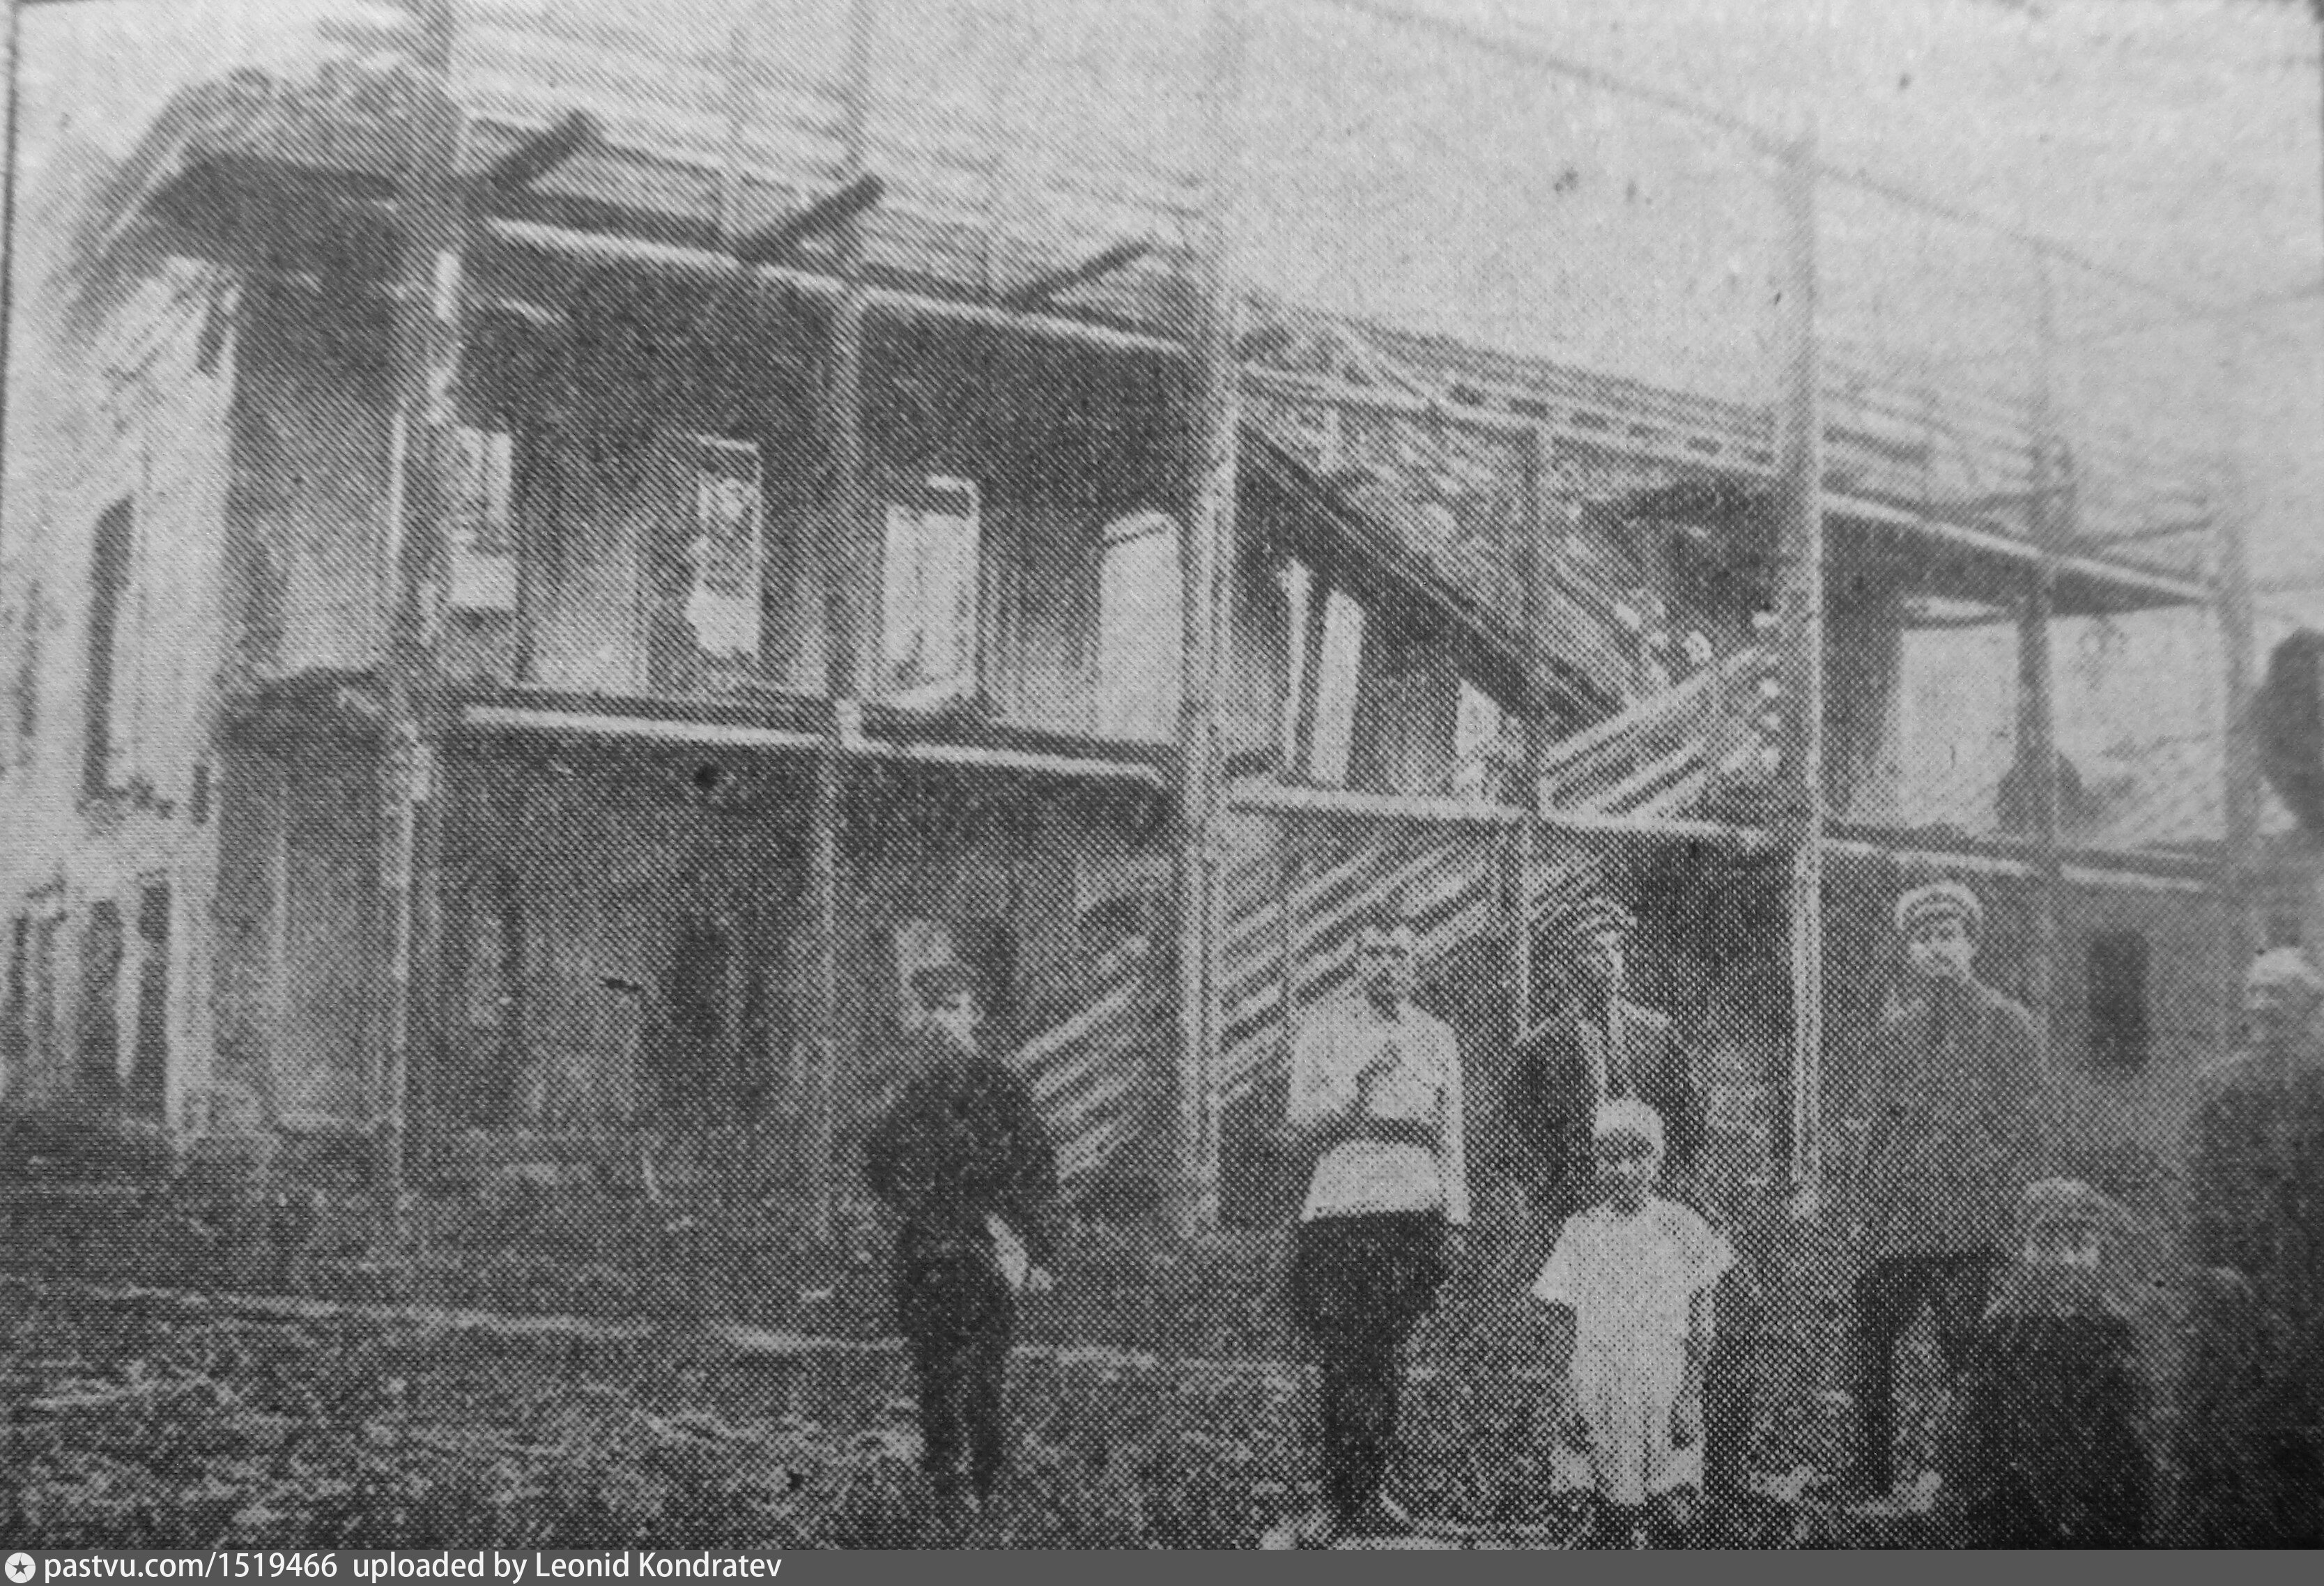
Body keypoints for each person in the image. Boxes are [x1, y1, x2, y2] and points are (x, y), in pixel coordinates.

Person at [1842, 878, 2056, 1504]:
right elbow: (1879, 1123)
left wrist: (1995, 1187)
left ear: (1971, 945)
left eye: (1948, 936)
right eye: (1923, 938)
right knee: (1867, 1339)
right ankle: (1869, 1478)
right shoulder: (1897, 1030)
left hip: (1969, 1221)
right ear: (1908, 950)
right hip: (1899, 1219)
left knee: (1965, 1350)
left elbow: (2029, 1124)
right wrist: (1865, 1203)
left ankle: (1967, 1480)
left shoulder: (2006, 1022)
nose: (1936, 948)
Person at [1280, 902, 1470, 1546]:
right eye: (1374, 954)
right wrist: (1355, 1087)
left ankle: (1372, 1489)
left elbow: (1451, 1135)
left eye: (1399, 954)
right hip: (1343, 1205)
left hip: (1412, 1205)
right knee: (1344, 1352)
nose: (1386, 965)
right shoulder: (1324, 1028)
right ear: (1354, 962)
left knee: (1388, 1352)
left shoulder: (1436, 1035)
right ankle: (1336, 1496)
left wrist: (1455, 1216)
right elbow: (1300, 1123)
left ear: (1416, 965)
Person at [863, 961, 1064, 1530]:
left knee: (983, 1376)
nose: (939, 1021)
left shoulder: (1001, 1087)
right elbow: (879, 1164)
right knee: (934, 1374)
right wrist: (915, 1204)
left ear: (975, 1015)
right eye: (929, 1009)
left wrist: (1039, 1250)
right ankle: (945, 1495)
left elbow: (1035, 1169)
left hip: (987, 1243)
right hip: (928, 1247)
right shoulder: (910, 1092)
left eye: (951, 1008)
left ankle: (989, 1489)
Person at [1531, 1098, 1732, 1549]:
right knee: (1601, 1517)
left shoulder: (1683, 1227)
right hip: (1598, 1386)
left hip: (1665, 1385)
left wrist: (1689, 1394)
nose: (1624, 1170)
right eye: (1611, 1157)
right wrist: (1566, 1397)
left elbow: (1702, 1321)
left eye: (1637, 1157)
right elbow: (1559, 1322)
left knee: (1673, 1514)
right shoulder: (1581, 1232)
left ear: (1657, 1160)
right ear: (1596, 1161)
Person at [2176, 947, 2324, 1546]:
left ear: (2309, 1007)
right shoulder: (2217, 1083)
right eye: (2255, 992)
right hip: (2233, 1272)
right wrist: (2205, 1266)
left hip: (2308, 1276)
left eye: (2278, 995)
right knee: (2226, 1407)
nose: (2262, 1006)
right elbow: (2197, 1185)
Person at [1954, 1178, 2153, 1547]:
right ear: (2023, 1250)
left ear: (2100, 1250)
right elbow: (1975, 1435)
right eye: (2047, 1243)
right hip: (2014, 1522)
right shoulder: (2000, 1329)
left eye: (2080, 1244)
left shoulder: (2117, 1329)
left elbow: (2135, 1442)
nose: (2066, 1260)